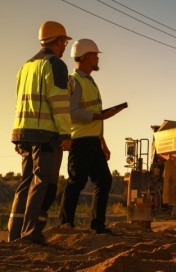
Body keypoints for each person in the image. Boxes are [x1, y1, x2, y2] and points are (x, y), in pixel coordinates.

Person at [9, 21, 73, 245]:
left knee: (26, 183)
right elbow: (59, 102)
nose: (64, 46)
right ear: (57, 41)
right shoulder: (55, 64)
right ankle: (31, 234)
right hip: (46, 134)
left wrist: (17, 135)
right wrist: (65, 134)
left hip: (23, 132)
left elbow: (19, 102)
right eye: (64, 42)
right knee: (42, 182)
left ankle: (15, 233)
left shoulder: (25, 66)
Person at [59, 39, 124, 234]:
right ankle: (65, 225)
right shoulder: (75, 82)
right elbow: (71, 112)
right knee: (76, 182)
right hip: (80, 141)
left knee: (104, 181)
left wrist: (102, 143)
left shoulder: (89, 81)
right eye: (96, 55)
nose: (97, 58)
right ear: (87, 57)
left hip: (93, 141)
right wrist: (99, 115)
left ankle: (97, 226)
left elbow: (94, 115)